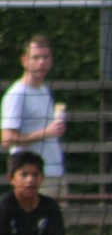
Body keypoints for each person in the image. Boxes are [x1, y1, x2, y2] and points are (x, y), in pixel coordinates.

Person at [1, 35, 68, 199]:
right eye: (36, 57)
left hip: (55, 173)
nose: (41, 62)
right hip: (33, 179)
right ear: (25, 61)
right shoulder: (16, 94)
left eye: (45, 57)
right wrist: (47, 132)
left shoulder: (44, 91)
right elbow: (7, 139)